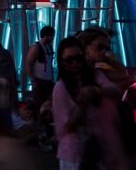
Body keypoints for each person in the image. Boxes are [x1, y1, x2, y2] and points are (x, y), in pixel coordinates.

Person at [51, 35, 128, 170]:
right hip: (74, 153)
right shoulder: (60, 88)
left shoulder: (95, 75)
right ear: (61, 62)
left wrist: (96, 91)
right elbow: (64, 127)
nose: (75, 63)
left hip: (98, 148)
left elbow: (116, 90)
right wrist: (83, 103)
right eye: (69, 60)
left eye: (79, 58)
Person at [26, 25, 55, 106]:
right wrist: (33, 80)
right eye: (52, 35)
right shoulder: (36, 47)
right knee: (39, 103)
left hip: (48, 80)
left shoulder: (49, 47)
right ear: (46, 35)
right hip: (39, 81)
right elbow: (28, 64)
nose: (53, 38)